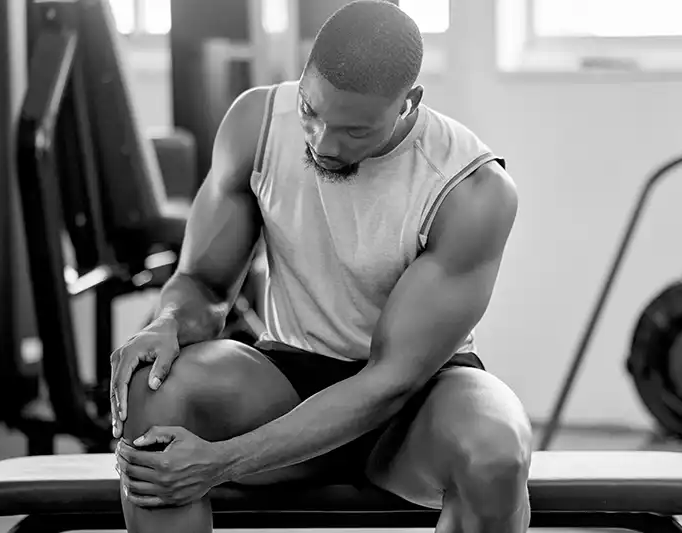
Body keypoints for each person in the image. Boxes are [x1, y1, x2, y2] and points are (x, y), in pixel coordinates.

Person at [110, 1, 531, 532]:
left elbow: (390, 381)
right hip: (289, 378)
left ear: (410, 103)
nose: (323, 143)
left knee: (495, 454)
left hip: (418, 401)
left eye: (355, 131)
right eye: (312, 111)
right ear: (305, 73)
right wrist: (169, 320)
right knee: (154, 384)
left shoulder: (470, 189)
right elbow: (203, 284)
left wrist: (222, 462)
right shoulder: (256, 125)